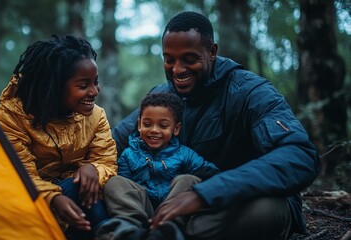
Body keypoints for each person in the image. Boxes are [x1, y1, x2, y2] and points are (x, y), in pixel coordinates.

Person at [111, 11, 320, 240]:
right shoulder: (161, 97)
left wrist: (206, 193)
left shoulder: (250, 92)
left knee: (264, 210)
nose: (178, 70)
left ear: (211, 52)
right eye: (169, 59)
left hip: (231, 204)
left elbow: (300, 155)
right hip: (171, 206)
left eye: (189, 59)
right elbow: (112, 144)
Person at [0, 35, 117, 240]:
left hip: (82, 197)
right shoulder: (13, 116)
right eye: (83, 85)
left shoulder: (96, 116)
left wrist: (93, 169)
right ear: (55, 85)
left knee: (88, 187)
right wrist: (53, 197)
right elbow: (19, 174)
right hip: (32, 202)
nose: (94, 91)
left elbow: (107, 161)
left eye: (96, 82)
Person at [96, 92, 219, 240]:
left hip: (174, 210)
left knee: (187, 180)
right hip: (142, 209)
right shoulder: (128, 154)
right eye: (147, 124)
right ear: (139, 124)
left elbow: (211, 173)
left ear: (176, 129)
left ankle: (168, 228)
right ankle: (129, 227)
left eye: (163, 125)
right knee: (115, 182)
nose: (154, 130)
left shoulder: (184, 154)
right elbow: (125, 187)